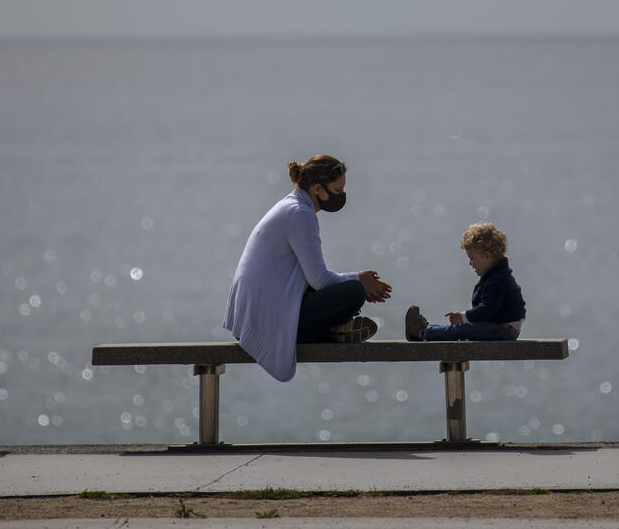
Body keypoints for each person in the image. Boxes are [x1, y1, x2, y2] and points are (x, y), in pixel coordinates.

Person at [224, 155, 392, 382]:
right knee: (354, 292)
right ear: (317, 189)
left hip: (255, 314)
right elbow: (320, 280)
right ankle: (334, 330)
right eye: (338, 189)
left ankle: (335, 330)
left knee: (348, 289)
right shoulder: (301, 214)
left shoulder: (291, 205)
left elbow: (310, 279)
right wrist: (360, 280)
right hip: (267, 319)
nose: (341, 195)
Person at [405, 222, 525, 341]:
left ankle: (423, 332)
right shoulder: (496, 275)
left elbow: (488, 309)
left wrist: (463, 317)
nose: (470, 263)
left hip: (504, 329)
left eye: (472, 258)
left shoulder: (497, 279)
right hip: (502, 327)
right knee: (463, 328)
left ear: (487, 256)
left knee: (463, 329)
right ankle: (427, 329)